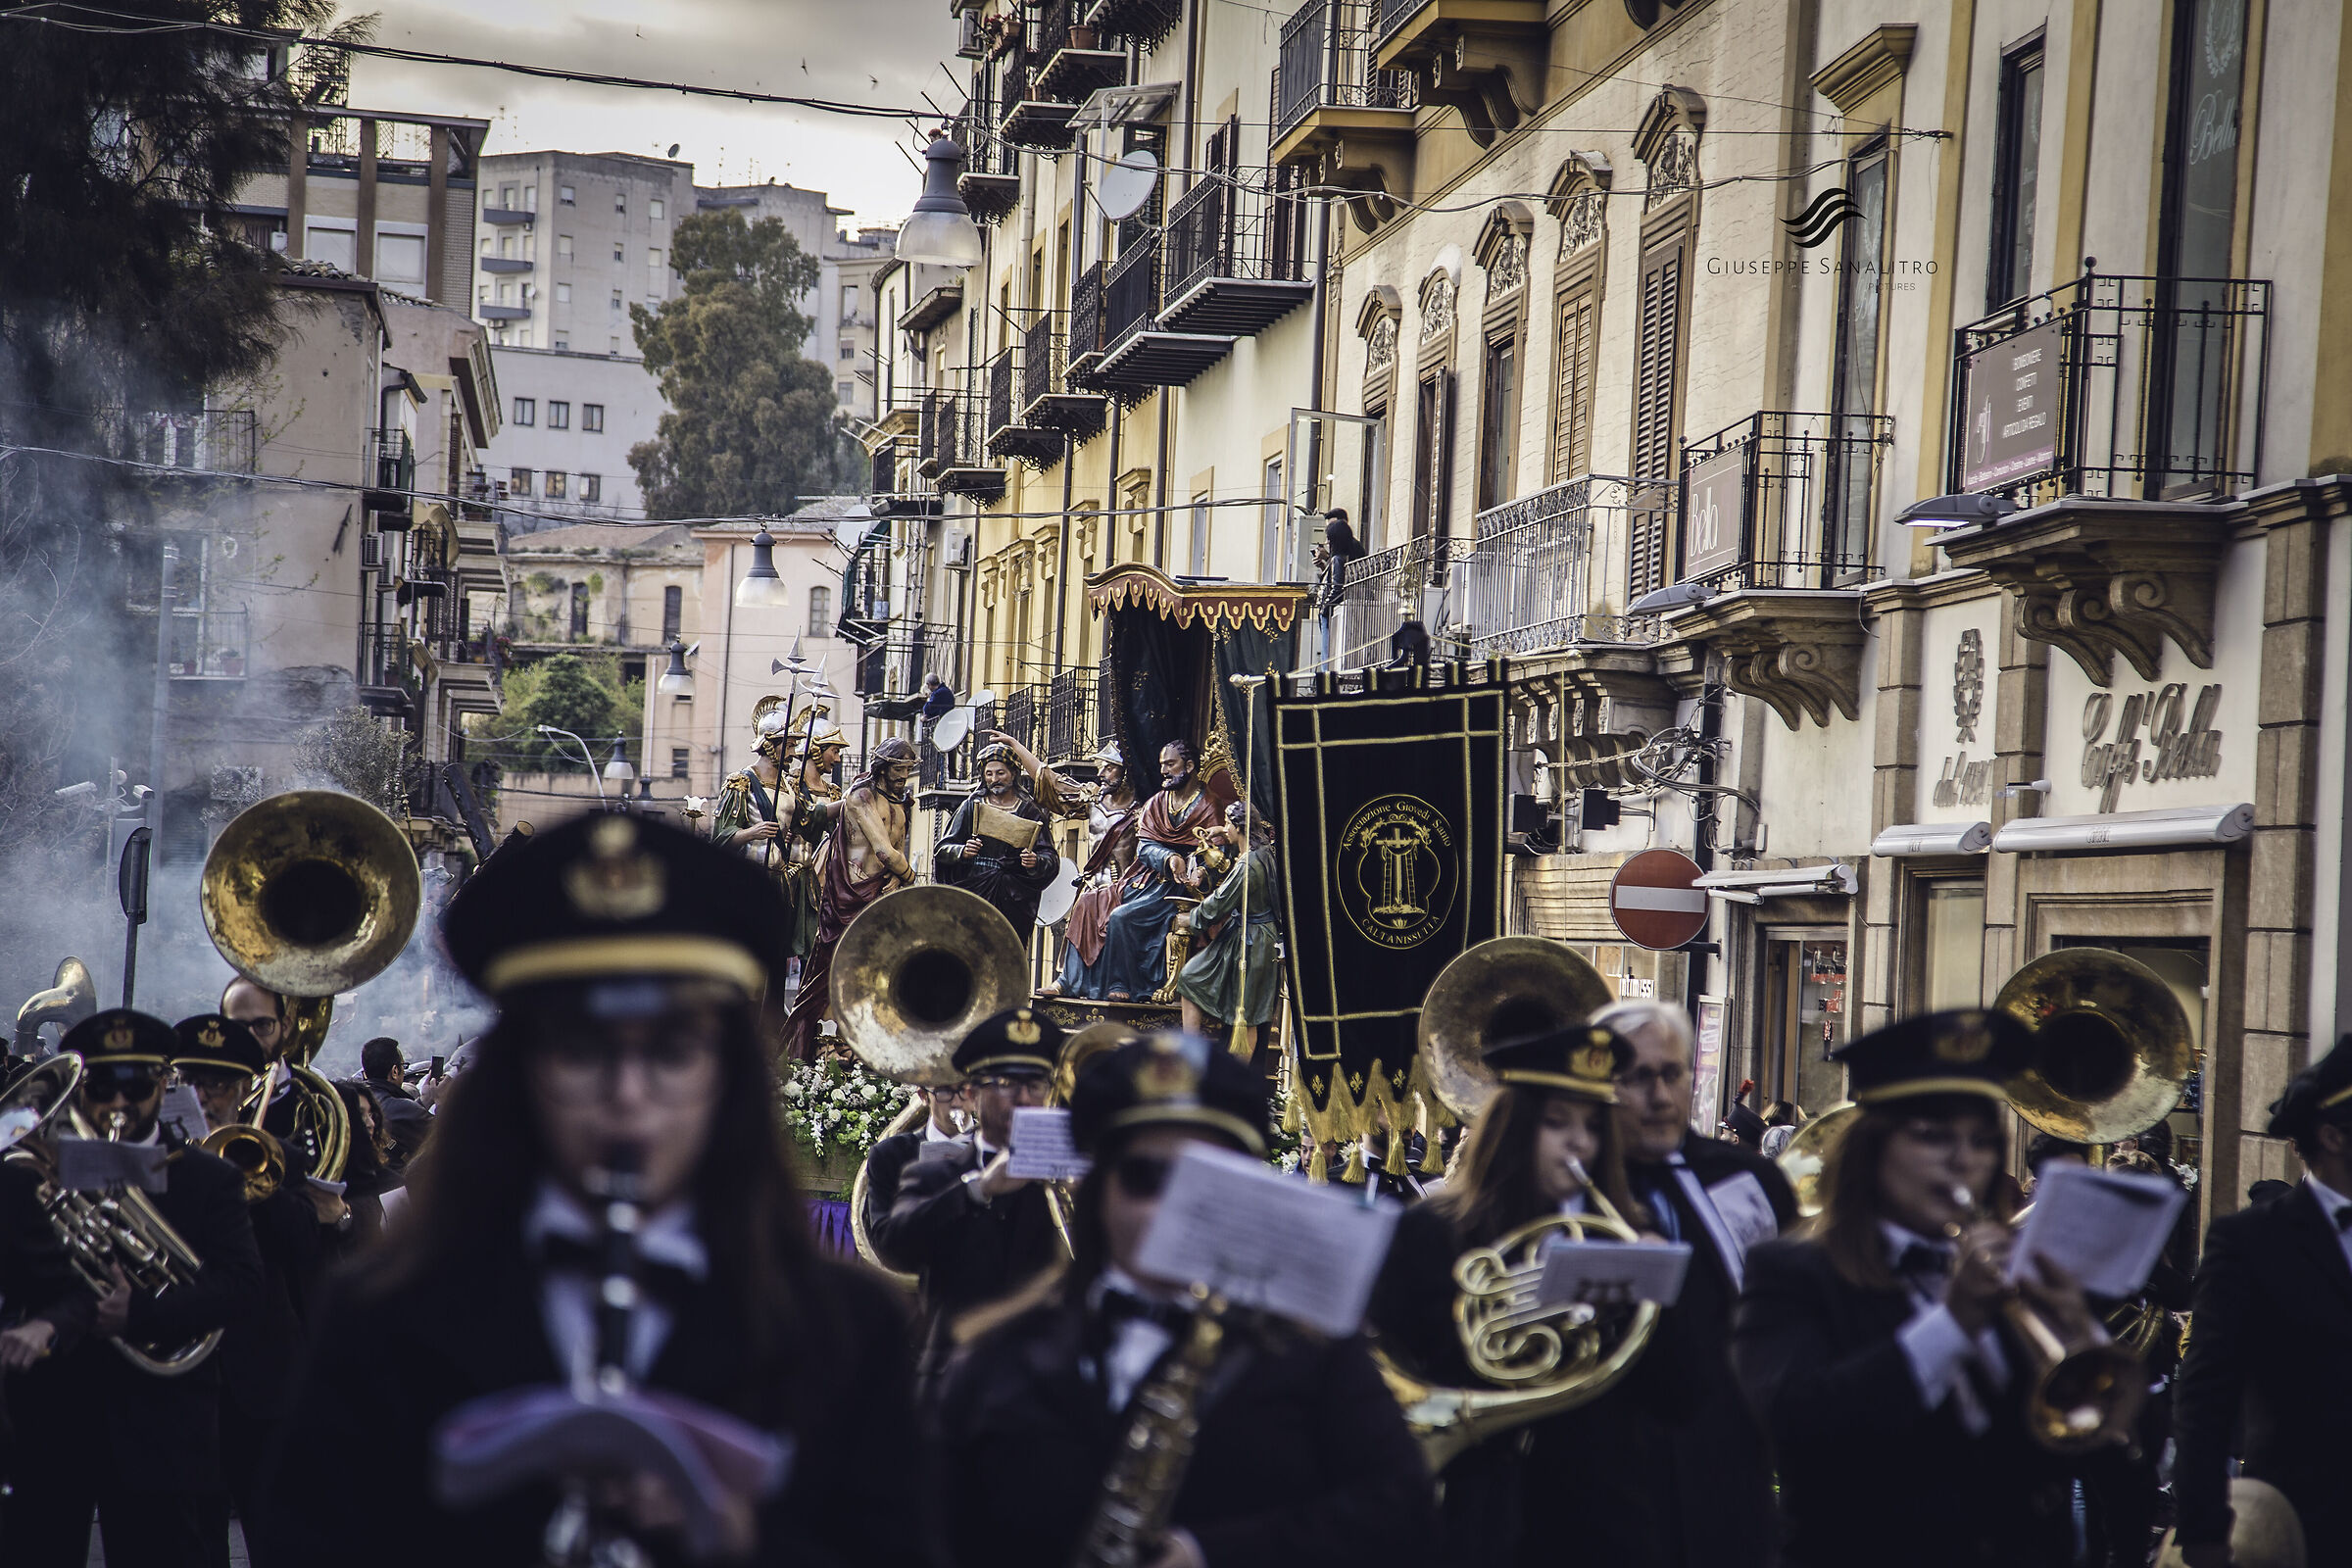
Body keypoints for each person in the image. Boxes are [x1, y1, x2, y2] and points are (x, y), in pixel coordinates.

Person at [262, 811, 931, 1566]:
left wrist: (748, 1539)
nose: (628, 1096)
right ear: (520, 1076)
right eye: (583, 1050)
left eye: (673, 1053)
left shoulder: (845, 1331)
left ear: (729, 1081)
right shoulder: (381, 1321)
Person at [934, 1033, 1439, 1567]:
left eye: (1204, 1179)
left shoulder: (1318, 1354)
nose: (1171, 1208)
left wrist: (1214, 1555)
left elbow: (1403, 1518)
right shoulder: (994, 1359)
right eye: (1144, 1177)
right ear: (1096, 1188)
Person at [1732, 1009, 2111, 1568]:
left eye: (1981, 1141)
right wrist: (1953, 1322)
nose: (1963, 1161)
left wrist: (2081, 1339)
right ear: (1873, 1150)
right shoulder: (1793, 1272)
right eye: (1934, 1137)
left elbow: (2101, 1454)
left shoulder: (2011, 1275)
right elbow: (1797, 1423)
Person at [1369, 1021, 1693, 1567]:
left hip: (1598, 1522)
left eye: (1593, 1126)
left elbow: (1680, 1397)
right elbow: (1391, 1359)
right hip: (1473, 1510)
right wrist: (1529, 1309)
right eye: (1556, 1123)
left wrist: (1655, 1291)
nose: (1579, 1143)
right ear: (1516, 1129)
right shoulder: (1436, 1231)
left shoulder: (1622, 1235)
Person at [3, 1008, 263, 1568]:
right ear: (78, 1089)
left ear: (162, 1083)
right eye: (100, 1087)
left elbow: (242, 1286)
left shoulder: (207, 1176)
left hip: (163, 1425)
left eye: (136, 1086)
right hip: (54, 1414)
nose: (118, 1104)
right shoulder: (41, 1171)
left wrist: (141, 1312)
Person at [1600, 999, 1794, 1568]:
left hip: (1728, 1466)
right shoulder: (1574, 1179)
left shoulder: (1748, 1177)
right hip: (1608, 1478)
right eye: (1637, 1078)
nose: (1659, 1096)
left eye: (1671, 1074)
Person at [2173, 1032, 2352, 1568]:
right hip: (2301, 1526)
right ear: (2333, 1137)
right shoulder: (2250, 1242)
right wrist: (2204, 1536)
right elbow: (2205, 1400)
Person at [168, 1013, 322, 1568]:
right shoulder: (151, 1159)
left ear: (242, 1090)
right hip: (180, 1376)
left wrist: (251, 1184)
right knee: (193, 1543)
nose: (208, 1096)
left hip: (263, 1376)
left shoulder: (276, 1156)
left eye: (223, 1085)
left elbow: (306, 1244)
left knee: (279, 1537)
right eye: (195, 1082)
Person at [871, 1006, 1064, 1388]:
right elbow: (894, 1247)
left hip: (1047, 1387)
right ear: (974, 1094)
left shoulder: (1067, 1182)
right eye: (1007, 1083)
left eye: (1037, 1083)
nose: (1024, 1098)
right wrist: (978, 1189)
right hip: (953, 1380)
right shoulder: (934, 1173)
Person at [782, 736, 919, 1060]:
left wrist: (898, 885)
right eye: (898, 769)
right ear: (883, 767)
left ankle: (863, 1047)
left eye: (908, 769)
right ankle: (813, 1047)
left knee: (876, 976)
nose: (903, 776)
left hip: (885, 894)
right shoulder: (861, 797)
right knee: (830, 974)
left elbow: (897, 848)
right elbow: (884, 851)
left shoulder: (902, 801)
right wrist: (912, 880)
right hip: (851, 897)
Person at [1100, 740, 1230, 1004]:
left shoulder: (1210, 805)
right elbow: (1145, 846)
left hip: (1189, 889)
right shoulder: (1158, 802)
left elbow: (1220, 854)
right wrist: (1169, 857)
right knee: (1096, 905)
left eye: (1170, 764)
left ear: (1189, 766)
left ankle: (1129, 983)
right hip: (1153, 880)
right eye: (1162, 765)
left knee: (1121, 917)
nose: (1164, 771)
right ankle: (1095, 981)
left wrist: (1203, 874)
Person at [710, 694, 839, 962]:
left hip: (782, 881)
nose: (793, 753)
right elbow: (720, 839)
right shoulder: (741, 783)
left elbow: (811, 817)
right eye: (789, 746)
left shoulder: (790, 786)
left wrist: (850, 802)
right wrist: (751, 833)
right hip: (752, 878)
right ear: (771, 746)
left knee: (779, 955)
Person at [1173, 801, 1280, 1053]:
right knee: (1192, 978)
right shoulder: (1261, 851)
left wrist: (1191, 919)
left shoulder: (1247, 866)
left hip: (1252, 941)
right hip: (1245, 934)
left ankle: (1206, 1061)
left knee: (1247, 1015)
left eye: (1229, 823)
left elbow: (1220, 903)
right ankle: (1194, 1050)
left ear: (1240, 828)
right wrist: (1221, 830)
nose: (1225, 827)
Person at [935, 743, 1061, 936]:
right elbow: (942, 849)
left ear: (1013, 773)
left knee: (1006, 948)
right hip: (974, 890)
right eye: (989, 774)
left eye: (1000, 773)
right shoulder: (972, 807)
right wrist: (962, 851)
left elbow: (1050, 857)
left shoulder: (1029, 811)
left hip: (1013, 896)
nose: (994, 779)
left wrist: (1036, 861)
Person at [1049, 821, 1152, 1000]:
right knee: (1084, 902)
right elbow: (1059, 799)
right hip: (1102, 886)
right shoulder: (1094, 801)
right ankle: (1068, 980)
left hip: (1134, 884)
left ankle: (1118, 981)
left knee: (1116, 914)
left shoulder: (1140, 813)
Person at [857, 1080, 966, 1245]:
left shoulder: (999, 1153)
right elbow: (882, 1239)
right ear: (923, 1095)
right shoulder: (889, 1154)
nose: (957, 1102)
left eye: (965, 1090)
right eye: (944, 1092)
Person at [359, 1035, 432, 1172]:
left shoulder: (355, 1101)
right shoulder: (406, 1108)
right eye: (403, 1066)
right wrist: (441, 1101)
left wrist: (424, 1101)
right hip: (393, 1186)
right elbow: (449, 1137)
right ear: (395, 1071)